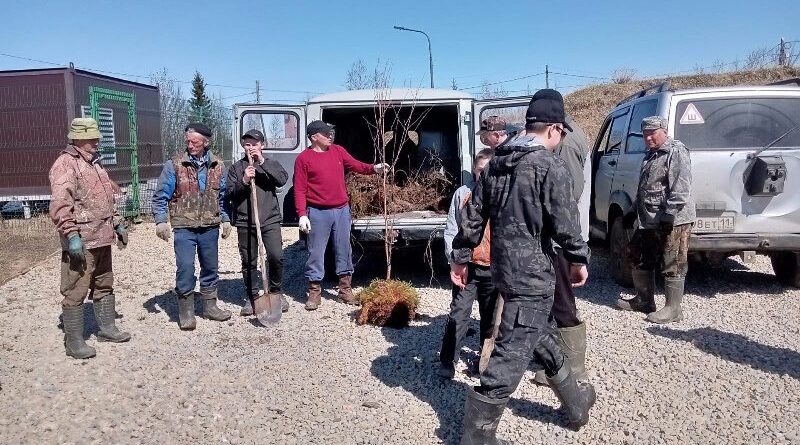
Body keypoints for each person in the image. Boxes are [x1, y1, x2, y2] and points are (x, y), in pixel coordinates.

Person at [451, 89, 595, 441]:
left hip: (503, 272)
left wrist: (461, 256)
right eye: (561, 135)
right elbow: (566, 224)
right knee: (511, 352)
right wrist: (578, 259)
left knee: (539, 335)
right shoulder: (549, 165)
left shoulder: (497, 162)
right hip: (532, 277)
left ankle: (576, 404)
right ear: (555, 128)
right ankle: (477, 435)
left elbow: (472, 217)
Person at [49, 117, 130, 359]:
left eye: (96, 137)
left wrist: (117, 223)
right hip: (82, 241)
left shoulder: (94, 163)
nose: (97, 141)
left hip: (103, 237)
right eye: (92, 138)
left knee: (104, 283)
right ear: (77, 138)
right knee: (76, 288)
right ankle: (74, 342)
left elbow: (105, 198)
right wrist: (71, 235)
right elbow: (60, 204)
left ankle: (106, 329)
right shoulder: (65, 165)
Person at [293, 120, 388, 311]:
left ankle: (345, 289)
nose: (330, 136)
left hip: (342, 210)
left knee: (344, 249)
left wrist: (374, 168)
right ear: (314, 137)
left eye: (330, 133)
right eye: (325, 133)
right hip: (318, 212)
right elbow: (300, 189)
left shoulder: (338, 151)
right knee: (316, 252)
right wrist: (302, 214)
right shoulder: (304, 159)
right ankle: (314, 292)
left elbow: (356, 165)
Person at [152, 123, 232, 330]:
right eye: (188, 141)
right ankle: (186, 312)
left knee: (210, 267)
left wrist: (225, 219)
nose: (190, 145)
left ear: (206, 143)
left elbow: (222, 197)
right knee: (186, 268)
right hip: (184, 227)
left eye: (194, 141)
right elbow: (161, 195)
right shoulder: (175, 165)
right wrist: (161, 221)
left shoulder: (218, 165)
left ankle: (210, 307)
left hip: (209, 226)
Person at [531, 113, 592, 385]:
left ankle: (570, 370)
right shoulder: (571, 133)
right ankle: (559, 360)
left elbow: (567, 194)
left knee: (562, 300)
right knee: (559, 298)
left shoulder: (563, 143)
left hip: (560, 239)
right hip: (564, 236)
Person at [617, 116, 695, 324]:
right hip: (648, 219)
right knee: (637, 254)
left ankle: (673, 309)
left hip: (673, 219)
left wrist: (670, 214)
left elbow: (681, 186)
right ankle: (644, 300)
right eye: (645, 134)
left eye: (653, 133)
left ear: (664, 131)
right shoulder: (650, 155)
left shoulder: (675, 152)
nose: (648, 137)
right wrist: (633, 210)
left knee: (673, 263)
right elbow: (646, 188)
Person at [439, 147, 499, 379]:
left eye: (486, 170)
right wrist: (454, 259)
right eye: (478, 170)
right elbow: (451, 230)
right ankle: (447, 359)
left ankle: (485, 363)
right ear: (473, 170)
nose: (481, 175)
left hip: (493, 269)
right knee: (459, 314)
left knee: (490, 318)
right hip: (467, 268)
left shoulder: (501, 195)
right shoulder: (462, 194)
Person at [226, 129, 290, 316]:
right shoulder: (236, 168)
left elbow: (282, 180)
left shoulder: (269, 164)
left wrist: (262, 162)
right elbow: (230, 194)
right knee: (249, 261)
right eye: (247, 144)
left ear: (262, 145)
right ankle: (252, 296)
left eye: (255, 144)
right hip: (246, 221)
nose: (251, 147)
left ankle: (276, 292)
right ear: (243, 146)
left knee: (276, 256)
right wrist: (244, 180)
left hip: (269, 219)